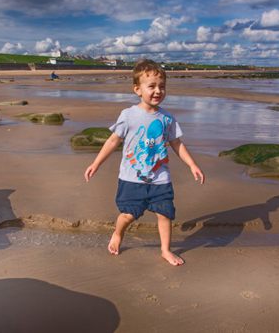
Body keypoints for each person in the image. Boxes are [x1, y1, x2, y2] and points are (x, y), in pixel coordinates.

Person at [84, 59, 205, 266]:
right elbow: (113, 141)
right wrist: (96, 163)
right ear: (137, 89)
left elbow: (177, 144)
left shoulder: (167, 118)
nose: (158, 91)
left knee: (165, 213)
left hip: (160, 178)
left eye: (162, 86)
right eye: (152, 86)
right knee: (128, 215)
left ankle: (165, 250)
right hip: (132, 178)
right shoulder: (129, 115)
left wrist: (192, 165)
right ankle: (118, 233)